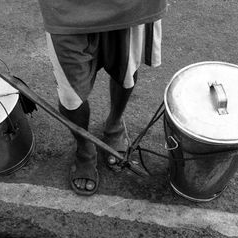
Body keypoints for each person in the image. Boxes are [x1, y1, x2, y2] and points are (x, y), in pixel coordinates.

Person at [38, 0, 167, 195]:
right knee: (71, 95)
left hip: (130, 7)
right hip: (66, 10)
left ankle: (114, 125)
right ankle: (84, 147)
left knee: (126, 73)